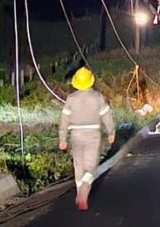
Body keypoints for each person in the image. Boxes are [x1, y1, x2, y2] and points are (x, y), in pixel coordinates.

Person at [59, 66, 115, 211]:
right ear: (90, 81)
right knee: (91, 167)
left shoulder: (71, 99)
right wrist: (111, 132)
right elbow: (106, 116)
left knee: (79, 166)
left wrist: (62, 139)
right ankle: (83, 193)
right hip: (92, 135)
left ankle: (80, 194)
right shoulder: (97, 97)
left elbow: (64, 120)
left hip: (75, 135)